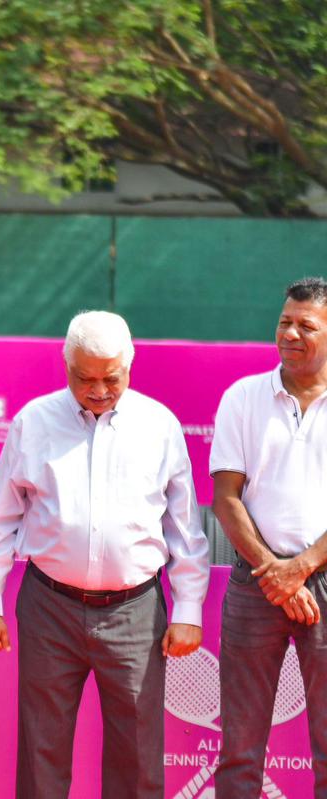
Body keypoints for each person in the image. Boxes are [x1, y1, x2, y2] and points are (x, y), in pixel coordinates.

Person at [0, 310, 209, 799]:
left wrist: (187, 610)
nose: (99, 389)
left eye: (111, 377)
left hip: (136, 612)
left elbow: (185, 529)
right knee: (42, 749)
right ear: (65, 365)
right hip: (48, 607)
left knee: (139, 752)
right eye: (85, 378)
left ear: (130, 365)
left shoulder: (158, 425)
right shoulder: (33, 422)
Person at [211, 277, 327, 798]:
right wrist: (274, 572)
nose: (290, 333)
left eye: (307, 325)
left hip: (321, 584)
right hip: (254, 584)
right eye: (284, 321)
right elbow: (225, 498)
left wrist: (299, 567)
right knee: (239, 744)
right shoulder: (243, 397)